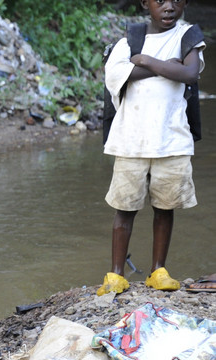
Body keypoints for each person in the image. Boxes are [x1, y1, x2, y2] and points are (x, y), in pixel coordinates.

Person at [98, 0, 205, 296]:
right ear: (146, 3)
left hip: (171, 139)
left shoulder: (188, 37)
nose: (168, 6)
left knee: (165, 207)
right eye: (159, 0)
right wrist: (166, 66)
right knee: (124, 208)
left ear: (184, 3)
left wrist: (144, 61)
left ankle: (159, 270)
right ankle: (116, 275)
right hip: (131, 140)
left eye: (175, 0)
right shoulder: (129, 39)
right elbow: (115, 75)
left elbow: (190, 73)